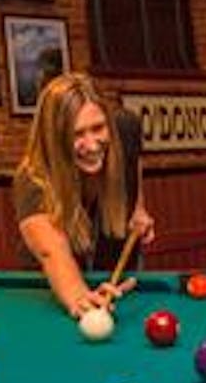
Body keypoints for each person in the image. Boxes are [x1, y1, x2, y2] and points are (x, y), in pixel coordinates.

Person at [13, 73, 155, 318]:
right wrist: (79, 298)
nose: (91, 145)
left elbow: (133, 161)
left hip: (112, 259)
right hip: (57, 280)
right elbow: (52, 251)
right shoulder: (34, 178)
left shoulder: (124, 130)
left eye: (98, 128)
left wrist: (138, 208)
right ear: (55, 140)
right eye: (76, 134)